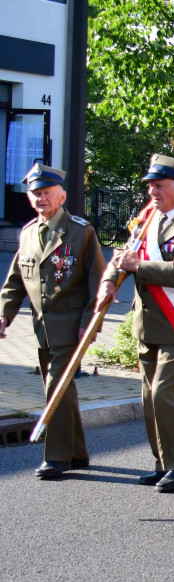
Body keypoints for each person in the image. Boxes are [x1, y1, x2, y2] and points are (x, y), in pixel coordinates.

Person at [96, 154, 174, 492]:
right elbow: (123, 257)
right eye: (150, 186)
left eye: (158, 186)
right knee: (149, 398)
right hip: (147, 324)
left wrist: (137, 267)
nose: (153, 192)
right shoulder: (146, 220)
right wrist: (108, 279)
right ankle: (163, 462)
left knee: (164, 392)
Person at [1, 164, 106, 479]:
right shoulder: (29, 232)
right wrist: (5, 314)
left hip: (72, 325)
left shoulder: (80, 231)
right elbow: (15, 281)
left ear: (61, 195)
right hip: (41, 328)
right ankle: (77, 452)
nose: (41, 198)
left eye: (47, 192)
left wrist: (92, 323)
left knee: (56, 386)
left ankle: (57, 457)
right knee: (64, 388)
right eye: (36, 193)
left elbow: (99, 282)